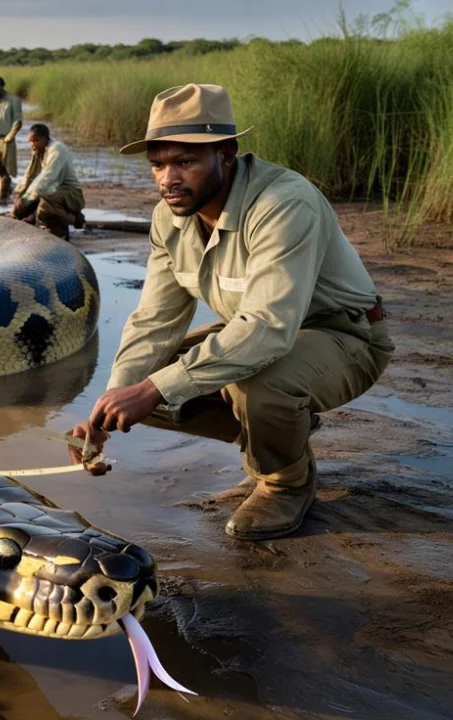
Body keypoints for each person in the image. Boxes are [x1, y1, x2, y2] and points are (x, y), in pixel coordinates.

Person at [66, 83, 394, 541]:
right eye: (158, 165)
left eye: (184, 162)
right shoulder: (171, 217)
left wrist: (154, 388)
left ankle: (285, 482)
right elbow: (155, 320)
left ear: (225, 154)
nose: (167, 179)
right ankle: (278, 437)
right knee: (151, 381)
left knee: (253, 381)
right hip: (266, 333)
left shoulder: (282, 203)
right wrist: (109, 407)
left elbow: (267, 328)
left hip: (344, 336)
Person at [10, 123, 86, 239]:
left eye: (36, 141)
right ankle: (42, 223)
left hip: (71, 195)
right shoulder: (38, 151)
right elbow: (29, 176)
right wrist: (18, 194)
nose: (32, 145)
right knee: (24, 205)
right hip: (54, 192)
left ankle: (74, 219)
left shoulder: (56, 150)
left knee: (44, 205)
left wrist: (26, 199)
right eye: (30, 141)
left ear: (46, 138)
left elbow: (46, 178)